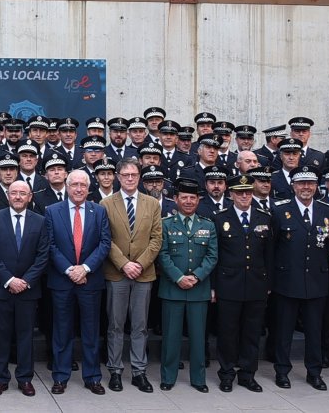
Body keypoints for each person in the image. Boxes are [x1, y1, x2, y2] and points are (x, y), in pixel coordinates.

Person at [45, 170, 111, 395]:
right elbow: (50, 245)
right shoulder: (52, 211)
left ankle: (92, 377)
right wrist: (69, 269)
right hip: (62, 281)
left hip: (90, 281)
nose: (79, 189)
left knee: (91, 332)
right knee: (62, 330)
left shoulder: (99, 211)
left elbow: (104, 243)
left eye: (83, 185)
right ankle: (60, 376)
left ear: (89, 188)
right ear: (67, 185)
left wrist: (85, 268)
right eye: (75, 185)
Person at [270, 166, 329, 390]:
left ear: (317, 187)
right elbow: (272, 247)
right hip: (286, 281)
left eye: (310, 184)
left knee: (315, 331)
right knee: (283, 330)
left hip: (317, 281)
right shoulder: (279, 211)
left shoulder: (327, 211)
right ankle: (282, 371)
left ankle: (314, 372)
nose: (306, 187)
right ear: (293, 186)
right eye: (301, 183)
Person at [0, 179, 50, 397]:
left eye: (23, 193)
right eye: (14, 193)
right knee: (1, 336)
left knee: (25, 336)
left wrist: (26, 280)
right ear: (8, 196)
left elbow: (43, 255)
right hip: (1, 289)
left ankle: (25, 378)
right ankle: (0, 378)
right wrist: (10, 280)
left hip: (28, 290)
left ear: (30, 197)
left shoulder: (40, 221)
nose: (18, 197)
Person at [102, 157, 163, 393]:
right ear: (117, 177)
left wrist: (139, 263)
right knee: (115, 325)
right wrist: (124, 264)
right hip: (117, 273)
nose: (129, 179)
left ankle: (139, 371)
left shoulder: (152, 203)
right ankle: (115, 370)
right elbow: (105, 238)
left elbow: (157, 239)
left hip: (143, 273)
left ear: (140, 177)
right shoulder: (106, 203)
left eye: (134, 175)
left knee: (139, 325)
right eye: (125, 175)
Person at [157, 177, 218, 392]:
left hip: (198, 290)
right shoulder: (165, 224)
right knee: (171, 338)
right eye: (184, 197)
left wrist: (197, 277)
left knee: (198, 338)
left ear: (199, 200)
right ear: (175, 199)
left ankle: (198, 379)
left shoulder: (207, 225)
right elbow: (162, 255)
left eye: (193, 197)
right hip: (173, 288)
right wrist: (179, 277)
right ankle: (168, 376)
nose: (189, 201)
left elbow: (212, 256)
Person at [212, 176, 273, 392]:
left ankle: (248, 374)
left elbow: (270, 254)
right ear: (231, 195)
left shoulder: (264, 217)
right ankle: (227, 373)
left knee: (252, 332)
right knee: (228, 332)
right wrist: (213, 286)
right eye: (240, 192)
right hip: (229, 284)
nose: (245, 196)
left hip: (257, 284)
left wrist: (269, 282)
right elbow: (215, 254)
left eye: (248, 192)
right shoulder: (220, 218)